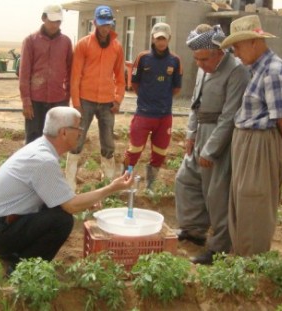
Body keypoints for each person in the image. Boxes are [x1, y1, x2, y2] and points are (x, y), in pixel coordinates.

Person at [0, 106, 134, 274]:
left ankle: (15, 257)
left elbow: (62, 198)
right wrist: (112, 188)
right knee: (61, 221)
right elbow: (71, 206)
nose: (81, 133)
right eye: (78, 128)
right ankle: (21, 270)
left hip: (0, 226)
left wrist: (84, 202)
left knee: (56, 208)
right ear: (64, 132)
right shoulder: (43, 160)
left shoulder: (41, 150)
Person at [219, 15, 282, 257]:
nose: (236, 54)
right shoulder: (256, 69)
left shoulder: (273, 72)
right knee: (243, 200)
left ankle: (252, 260)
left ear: (254, 42)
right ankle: (242, 254)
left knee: (255, 201)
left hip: (261, 144)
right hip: (249, 143)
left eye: (238, 47)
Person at [174, 24, 249, 265]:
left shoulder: (237, 71)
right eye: (196, 60)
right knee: (186, 179)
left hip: (221, 137)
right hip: (201, 132)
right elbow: (195, 104)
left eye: (204, 59)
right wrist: (191, 133)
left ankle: (219, 248)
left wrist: (211, 149)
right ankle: (194, 231)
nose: (200, 65)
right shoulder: (203, 67)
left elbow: (229, 116)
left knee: (217, 193)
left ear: (219, 53)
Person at [67, 5, 126, 190]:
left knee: (108, 140)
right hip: (85, 100)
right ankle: (69, 181)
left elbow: (120, 77)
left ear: (112, 24)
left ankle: (108, 181)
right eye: (101, 25)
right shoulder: (84, 44)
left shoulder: (117, 47)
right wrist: (76, 103)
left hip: (107, 102)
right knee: (77, 138)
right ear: (95, 23)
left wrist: (118, 99)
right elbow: (75, 76)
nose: (105, 28)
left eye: (108, 25)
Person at [122, 22, 182, 189]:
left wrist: (162, 99)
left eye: (164, 38)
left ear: (169, 39)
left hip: (164, 116)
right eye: (158, 39)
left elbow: (177, 87)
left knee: (160, 152)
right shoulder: (143, 57)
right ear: (152, 39)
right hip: (144, 113)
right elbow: (134, 83)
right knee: (134, 149)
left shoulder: (175, 61)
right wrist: (147, 98)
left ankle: (150, 186)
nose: (161, 42)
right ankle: (123, 181)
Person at [19, 3, 73, 144]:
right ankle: (31, 166)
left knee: (55, 138)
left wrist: (67, 97)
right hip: (35, 100)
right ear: (43, 18)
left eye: (58, 21)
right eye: (52, 20)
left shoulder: (66, 42)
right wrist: (26, 101)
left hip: (58, 99)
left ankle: (50, 165)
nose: (55, 24)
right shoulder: (30, 41)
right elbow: (24, 73)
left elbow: (70, 71)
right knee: (33, 138)